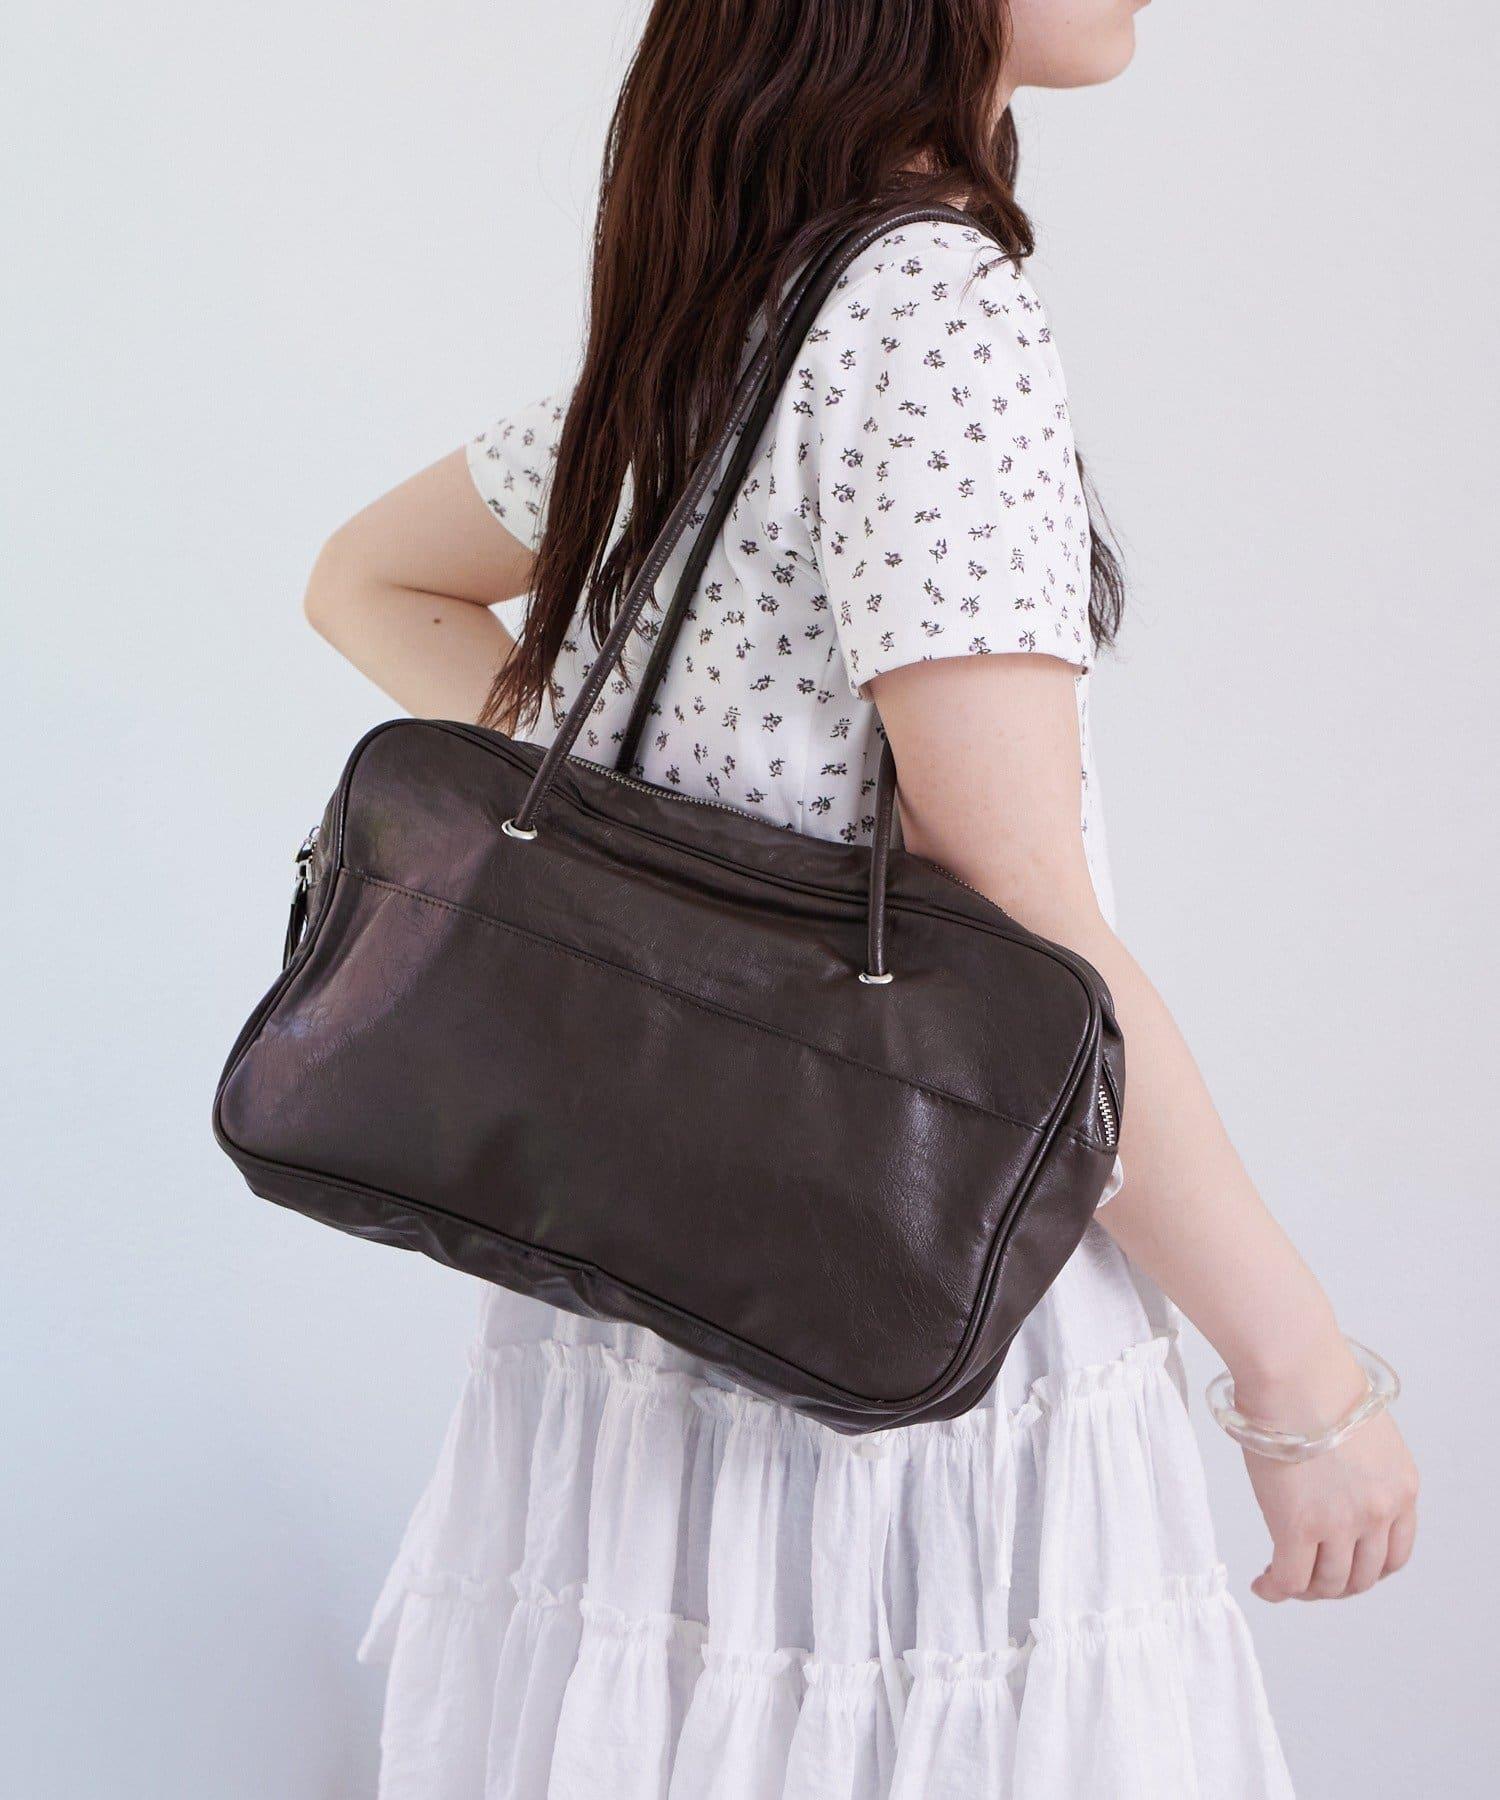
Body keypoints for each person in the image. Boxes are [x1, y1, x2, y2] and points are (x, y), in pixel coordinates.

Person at [304, 2, 1417, 1792]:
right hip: (902, 1294)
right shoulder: (931, 311)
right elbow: (1024, 912)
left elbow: (372, 580)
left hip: (649, 1282)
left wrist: (632, 833)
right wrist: (1299, 1376)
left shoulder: (730, 300)